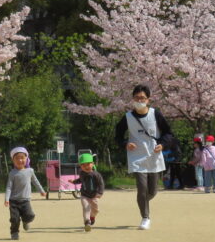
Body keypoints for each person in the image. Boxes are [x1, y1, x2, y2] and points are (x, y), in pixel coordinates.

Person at [114, 85, 176, 229]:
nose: (139, 100)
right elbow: (118, 135)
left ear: (148, 100)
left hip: (154, 155)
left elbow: (168, 133)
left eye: (142, 98)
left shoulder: (156, 114)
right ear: (132, 99)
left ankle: (142, 201)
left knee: (152, 191)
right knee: (142, 188)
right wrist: (125, 144)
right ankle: (145, 217)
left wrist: (163, 144)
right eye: (136, 98)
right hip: (136, 156)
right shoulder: (127, 117)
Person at [4, 146, 46, 240]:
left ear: (26, 159)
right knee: (14, 219)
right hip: (14, 201)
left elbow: (35, 181)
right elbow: (9, 187)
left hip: (25, 200)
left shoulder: (30, 171)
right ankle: (14, 233)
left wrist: (41, 191)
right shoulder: (12, 173)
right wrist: (7, 199)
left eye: (22, 158)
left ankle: (26, 221)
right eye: (17, 158)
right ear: (13, 160)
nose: (20, 160)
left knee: (30, 215)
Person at [72, 152, 105, 232]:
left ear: (92, 164)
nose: (86, 166)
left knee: (96, 210)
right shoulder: (82, 173)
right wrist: (74, 181)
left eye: (88, 164)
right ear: (80, 166)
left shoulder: (96, 174)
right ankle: (87, 222)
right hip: (84, 195)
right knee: (86, 208)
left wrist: (100, 193)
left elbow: (101, 184)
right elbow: (80, 180)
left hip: (94, 195)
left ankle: (92, 217)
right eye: (83, 165)